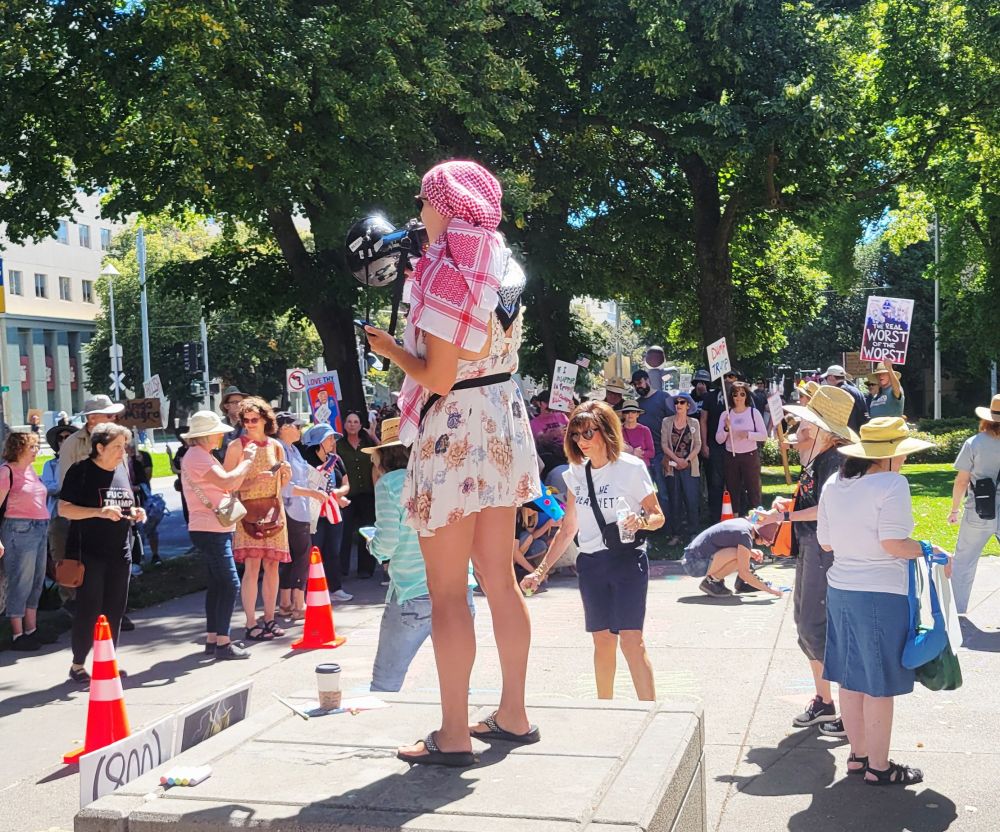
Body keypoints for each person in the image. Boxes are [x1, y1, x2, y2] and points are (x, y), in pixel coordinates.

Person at [364, 159, 540, 767]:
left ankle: (454, 733)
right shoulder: (504, 262)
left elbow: (437, 374)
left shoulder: (446, 269)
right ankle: (514, 714)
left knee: (446, 594)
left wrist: (390, 351)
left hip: (455, 429)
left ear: (448, 203)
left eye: (424, 201)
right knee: (500, 579)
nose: (419, 213)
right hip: (501, 418)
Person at [817, 417, 946, 786]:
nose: (904, 461)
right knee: (879, 684)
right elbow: (894, 544)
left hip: (841, 590)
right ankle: (879, 766)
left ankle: (858, 756)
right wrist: (927, 548)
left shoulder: (834, 482)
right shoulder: (892, 483)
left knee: (850, 678)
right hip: (879, 595)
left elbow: (826, 542)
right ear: (889, 456)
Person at [521, 401, 663, 700]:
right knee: (602, 641)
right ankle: (604, 710)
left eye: (588, 433)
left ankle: (649, 710)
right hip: (591, 565)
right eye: (575, 434)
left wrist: (641, 522)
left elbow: (657, 516)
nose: (581, 441)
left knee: (631, 641)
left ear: (607, 432)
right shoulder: (575, 474)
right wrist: (540, 570)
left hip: (627, 561)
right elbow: (568, 527)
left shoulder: (631, 468)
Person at [768, 386, 858, 738]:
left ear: (824, 429)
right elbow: (810, 502)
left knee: (814, 627)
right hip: (812, 547)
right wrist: (784, 507)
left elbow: (825, 509)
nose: (800, 427)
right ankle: (825, 701)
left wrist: (785, 518)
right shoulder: (819, 459)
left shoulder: (833, 460)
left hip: (825, 551)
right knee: (806, 624)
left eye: (807, 422)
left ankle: (849, 709)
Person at [366, 418, 477, 691]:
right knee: (457, 681)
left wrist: (372, 546)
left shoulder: (390, 484)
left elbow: (388, 542)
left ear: (382, 455)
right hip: (459, 589)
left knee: (385, 683)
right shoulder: (443, 476)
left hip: (411, 591)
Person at [60, 423, 146, 682]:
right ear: (100, 447)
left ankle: (106, 661)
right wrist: (98, 512)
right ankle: (77, 664)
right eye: (117, 446)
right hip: (88, 553)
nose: (123, 452)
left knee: (114, 610)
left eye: (125, 446)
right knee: (89, 608)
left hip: (120, 552)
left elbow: (126, 504)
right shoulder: (81, 471)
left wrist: (136, 513)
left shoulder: (121, 470)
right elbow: (64, 509)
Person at [181, 411, 258, 659]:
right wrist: (246, 461)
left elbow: (229, 484)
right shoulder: (198, 456)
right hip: (210, 528)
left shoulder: (201, 455)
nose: (222, 437)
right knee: (229, 583)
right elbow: (227, 483)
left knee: (217, 584)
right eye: (218, 433)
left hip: (212, 527)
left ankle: (214, 638)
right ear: (207, 435)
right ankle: (223, 643)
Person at [223, 397, 291, 641]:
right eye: (245, 420)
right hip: (247, 512)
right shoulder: (236, 447)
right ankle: (251, 621)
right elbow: (228, 485)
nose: (249, 424)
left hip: (273, 509)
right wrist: (253, 481)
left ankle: (270, 618)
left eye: (254, 420)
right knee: (252, 567)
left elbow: (282, 485)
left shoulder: (276, 446)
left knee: (272, 566)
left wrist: (285, 476)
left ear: (265, 420)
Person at [55, 396, 126, 617]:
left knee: (115, 574)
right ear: (93, 418)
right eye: (109, 415)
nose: (115, 419)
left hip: (114, 519)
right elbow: (66, 485)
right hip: (85, 521)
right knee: (86, 574)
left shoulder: (117, 439)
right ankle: (83, 616)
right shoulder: (73, 443)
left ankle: (113, 614)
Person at [947, 394, 1000, 614]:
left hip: (980, 507)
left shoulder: (974, 443)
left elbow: (961, 481)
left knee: (964, 561)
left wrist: (954, 509)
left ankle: (957, 612)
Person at [1, 432, 52, 650]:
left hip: (40, 527)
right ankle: (17, 633)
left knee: (36, 581)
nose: (36, 451)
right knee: (20, 581)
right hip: (18, 529)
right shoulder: (6, 472)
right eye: (32, 447)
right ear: (19, 448)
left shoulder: (31, 471)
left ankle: (32, 628)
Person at [275, 412, 328, 619]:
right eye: (296, 426)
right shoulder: (280, 449)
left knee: (293, 557)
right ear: (284, 428)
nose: (299, 430)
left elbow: (305, 476)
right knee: (301, 556)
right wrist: (313, 493)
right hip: (291, 509)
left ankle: (286, 603)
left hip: (299, 509)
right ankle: (298, 603)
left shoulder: (293, 449)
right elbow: (286, 486)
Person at [301, 424, 352, 602]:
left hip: (333, 511)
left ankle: (335, 588)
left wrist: (339, 492)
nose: (333, 442)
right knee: (315, 550)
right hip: (313, 513)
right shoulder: (305, 460)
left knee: (333, 551)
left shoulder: (336, 459)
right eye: (329, 438)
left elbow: (346, 484)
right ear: (319, 441)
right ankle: (311, 590)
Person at [682, 516, 784, 597]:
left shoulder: (743, 524)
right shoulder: (745, 535)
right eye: (767, 541)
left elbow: (727, 540)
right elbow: (744, 573)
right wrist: (770, 590)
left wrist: (750, 552)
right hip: (694, 565)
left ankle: (716, 580)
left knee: (742, 555)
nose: (767, 544)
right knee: (739, 557)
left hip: (691, 559)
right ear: (761, 537)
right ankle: (712, 582)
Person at [336, 411, 378, 579]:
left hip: (367, 494)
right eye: (349, 421)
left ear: (361, 425)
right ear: (345, 425)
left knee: (367, 532)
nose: (352, 424)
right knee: (344, 532)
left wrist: (373, 435)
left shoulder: (367, 443)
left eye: (355, 422)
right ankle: (342, 569)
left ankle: (366, 569)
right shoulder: (339, 444)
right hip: (348, 494)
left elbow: (384, 453)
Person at [716, 380, 767, 515]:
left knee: (753, 489)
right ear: (731, 396)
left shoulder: (753, 413)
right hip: (731, 456)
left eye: (742, 394)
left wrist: (748, 435)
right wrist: (726, 428)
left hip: (750, 455)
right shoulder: (725, 415)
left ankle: (757, 519)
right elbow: (719, 439)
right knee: (733, 489)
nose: (739, 398)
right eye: (735, 394)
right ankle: (735, 518)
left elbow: (763, 435)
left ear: (747, 396)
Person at [631, 368, 675, 516]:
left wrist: (670, 453)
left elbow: (673, 424)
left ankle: (668, 526)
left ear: (648, 380)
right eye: (635, 385)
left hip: (662, 452)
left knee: (664, 492)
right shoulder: (636, 404)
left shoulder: (664, 397)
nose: (638, 387)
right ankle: (652, 524)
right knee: (645, 493)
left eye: (640, 383)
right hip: (642, 456)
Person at [662, 391, 702, 544]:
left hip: (690, 466)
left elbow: (698, 445)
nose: (678, 405)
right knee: (675, 500)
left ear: (688, 406)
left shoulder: (694, 423)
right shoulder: (667, 421)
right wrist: (677, 460)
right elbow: (664, 445)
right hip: (672, 466)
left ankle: (693, 533)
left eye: (682, 402)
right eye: (676, 402)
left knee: (692, 500)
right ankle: (676, 534)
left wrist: (686, 460)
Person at [701, 370, 738, 521]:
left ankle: (738, 515)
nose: (727, 380)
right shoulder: (710, 397)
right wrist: (704, 444)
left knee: (736, 483)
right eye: (724, 376)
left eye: (731, 376)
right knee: (715, 484)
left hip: (738, 447)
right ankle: (716, 517)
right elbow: (703, 420)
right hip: (715, 446)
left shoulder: (743, 396)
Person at [822, 364, 868, 433]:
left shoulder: (839, 392)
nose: (826, 381)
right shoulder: (856, 390)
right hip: (860, 432)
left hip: (847, 434)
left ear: (831, 377)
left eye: (826, 378)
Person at [619, 400, 654, 466]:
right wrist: (632, 451)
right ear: (623, 414)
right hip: (624, 466)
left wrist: (641, 453)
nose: (630, 414)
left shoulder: (645, 430)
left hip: (642, 467)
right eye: (627, 412)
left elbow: (651, 453)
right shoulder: (618, 430)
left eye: (633, 412)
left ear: (638, 414)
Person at [218, 386, 247, 457]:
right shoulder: (219, 427)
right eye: (235, 402)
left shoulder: (248, 425)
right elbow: (215, 450)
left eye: (241, 402)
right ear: (226, 406)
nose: (239, 405)